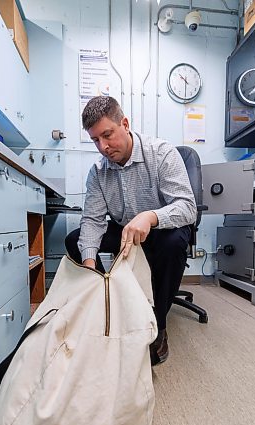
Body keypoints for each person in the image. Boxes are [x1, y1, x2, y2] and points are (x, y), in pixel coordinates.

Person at [65, 96, 197, 365]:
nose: (103, 147)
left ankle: (158, 326)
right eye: (95, 140)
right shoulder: (98, 172)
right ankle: (106, 299)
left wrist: (150, 217)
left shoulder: (161, 153)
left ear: (124, 124)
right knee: (75, 240)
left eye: (107, 134)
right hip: (126, 233)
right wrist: (90, 267)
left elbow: (187, 207)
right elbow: (92, 221)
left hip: (161, 228)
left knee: (173, 243)